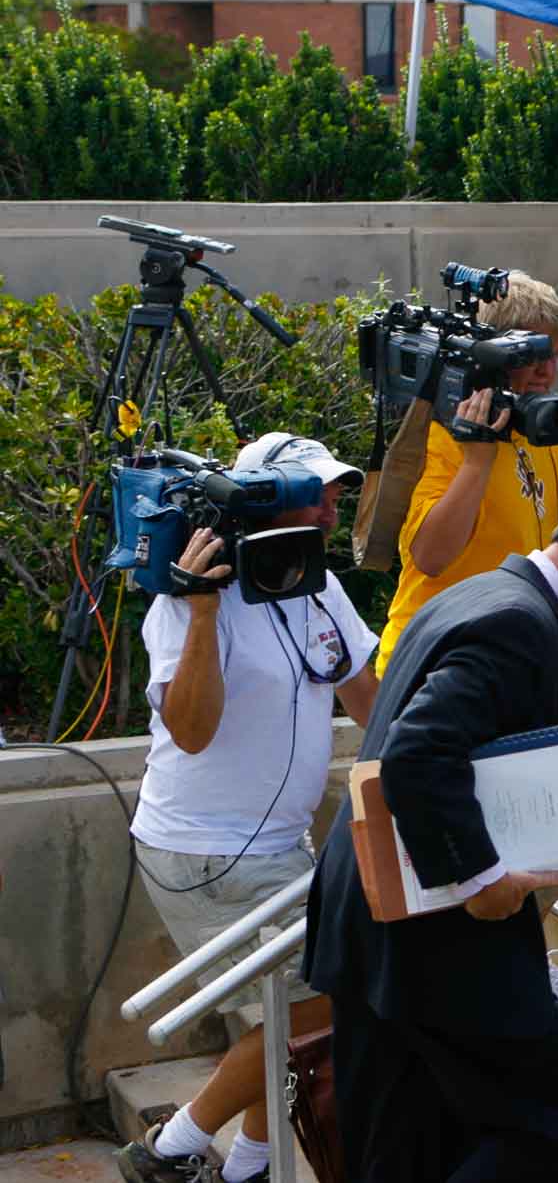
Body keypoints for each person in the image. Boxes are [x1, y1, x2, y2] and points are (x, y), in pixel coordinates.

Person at [303, 472, 558, 1183]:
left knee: (400, 1140)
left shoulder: (483, 591)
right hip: (432, 925)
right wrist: (481, 877)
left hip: (374, 916)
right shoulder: (518, 621)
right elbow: (417, 754)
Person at [115, 433, 380, 1183]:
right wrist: (200, 612)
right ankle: (172, 1149)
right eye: (316, 491)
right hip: (204, 854)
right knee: (316, 1009)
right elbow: (192, 732)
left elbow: (368, 699)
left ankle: (249, 1168)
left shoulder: (316, 583)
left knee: (291, 1013)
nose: (333, 504)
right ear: (259, 497)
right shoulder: (190, 599)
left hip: (279, 847)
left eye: (336, 490)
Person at [375, 269, 558, 1017]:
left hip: (515, 658)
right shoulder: (451, 435)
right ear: (493, 357)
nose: (549, 372)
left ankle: (524, 966)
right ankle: (485, 982)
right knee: (466, 837)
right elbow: (431, 556)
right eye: (534, 357)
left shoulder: (544, 428)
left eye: (555, 356)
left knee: (544, 820)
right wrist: (477, 456)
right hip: (439, 665)